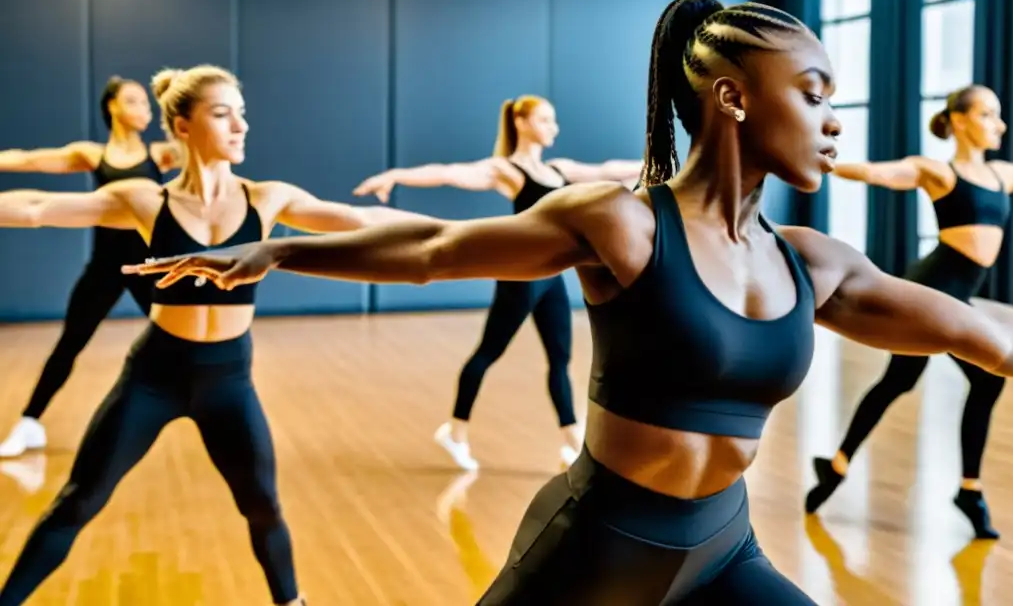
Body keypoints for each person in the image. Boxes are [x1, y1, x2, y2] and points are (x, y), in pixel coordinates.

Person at [125, 0, 1013, 605]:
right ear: (732, 97)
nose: (834, 121)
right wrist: (281, 250)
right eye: (814, 94)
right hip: (594, 550)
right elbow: (436, 251)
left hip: (723, 555)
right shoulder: (625, 226)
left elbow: (983, 333)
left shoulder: (814, 265)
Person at [0, 65, 429, 606]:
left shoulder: (266, 199)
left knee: (263, 505)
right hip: (154, 376)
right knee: (78, 501)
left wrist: (468, 234)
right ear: (182, 127)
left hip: (229, 380)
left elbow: (356, 219)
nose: (241, 126)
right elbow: (36, 209)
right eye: (223, 114)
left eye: (242, 114)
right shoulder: (144, 201)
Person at [353, 95, 642, 470]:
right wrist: (395, 176)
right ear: (521, 123)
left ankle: (572, 441)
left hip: (551, 277)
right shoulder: (506, 170)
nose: (553, 127)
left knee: (559, 359)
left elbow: (607, 169)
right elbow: (448, 172)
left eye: (554, 121)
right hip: (520, 276)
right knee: (488, 353)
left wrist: (660, 163)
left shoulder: (558, 170)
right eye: (545, 120)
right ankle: (455, 431)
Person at [804, 84, 1013, 539]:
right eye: (988, 114)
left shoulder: (1003, 174)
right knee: (921, 380)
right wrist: (819, 161)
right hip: (929, 290)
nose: (998, 124)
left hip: (956, 297)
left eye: (998, 116)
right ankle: (965, 490)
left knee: (912, 382)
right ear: (959, 120)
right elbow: (879, 173)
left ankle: (840, 466)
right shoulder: (936, 171)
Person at [0, 76, 181, 458]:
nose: (143, 109)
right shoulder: (92, 154)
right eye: (133, 101)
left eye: (147, 104)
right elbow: (28, 159)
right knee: (70, 344)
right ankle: (29, 423)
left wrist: (177, 97)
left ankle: (211, 414)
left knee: (183, 337)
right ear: (112, 106)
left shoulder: (162, 154)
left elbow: (198, 148)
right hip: (104, 267)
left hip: (148, 267)